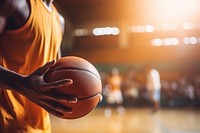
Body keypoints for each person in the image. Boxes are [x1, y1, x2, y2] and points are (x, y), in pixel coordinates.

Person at [0, 0, 78, 132]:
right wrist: (21, 84)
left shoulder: (60, 21)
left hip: (42, 127)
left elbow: (57, 75)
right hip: (6, 124)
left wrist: (84, 91)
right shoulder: (15, 3)